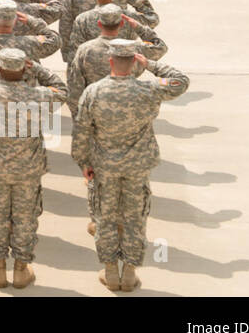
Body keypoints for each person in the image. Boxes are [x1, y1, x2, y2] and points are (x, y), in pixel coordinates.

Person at [72, 39, 190, 292]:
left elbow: (81, 131)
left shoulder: (93, 91)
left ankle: (110, 271)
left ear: (110, 60)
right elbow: (181, 81)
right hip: (137, 166)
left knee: (105, 218)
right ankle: (130, 274)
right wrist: (151, 64)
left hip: (104, 166)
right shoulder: (149, 88)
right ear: (134, 63)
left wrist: (84, 162)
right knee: (135, 218)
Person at [0, 47, 65, 289]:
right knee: (25, 218)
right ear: (24, 70)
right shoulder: (38, 95)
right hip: (28, 168)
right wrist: (37, 68)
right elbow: (63, 90)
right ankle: (20, 269)